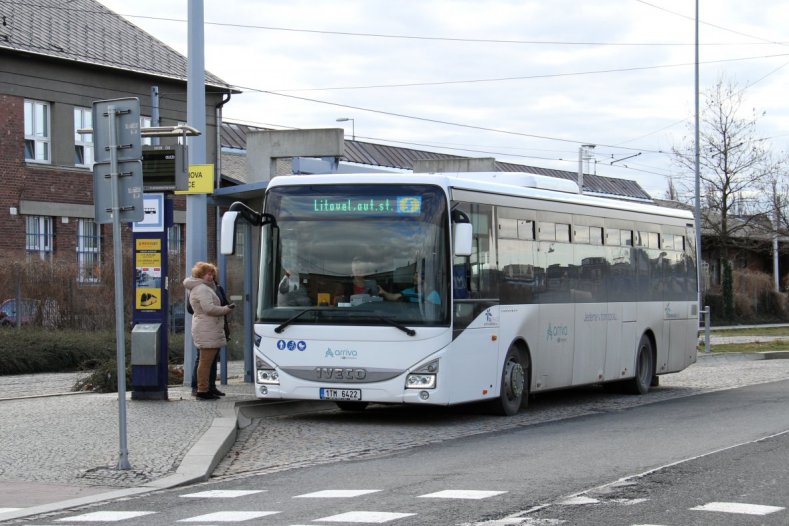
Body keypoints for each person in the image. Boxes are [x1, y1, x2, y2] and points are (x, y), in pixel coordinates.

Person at [183, 262, 235, 400]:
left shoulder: (205, 288)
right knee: (205, 361)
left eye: (212, 274)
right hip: (207, 328)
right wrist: (226, 309)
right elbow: (209, 309)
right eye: (207, 273)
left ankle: (207, 388)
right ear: (200, 274)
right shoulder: (202, 289)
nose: (210, 276)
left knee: (208, 361)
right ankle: (202, 390)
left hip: (209, 327)